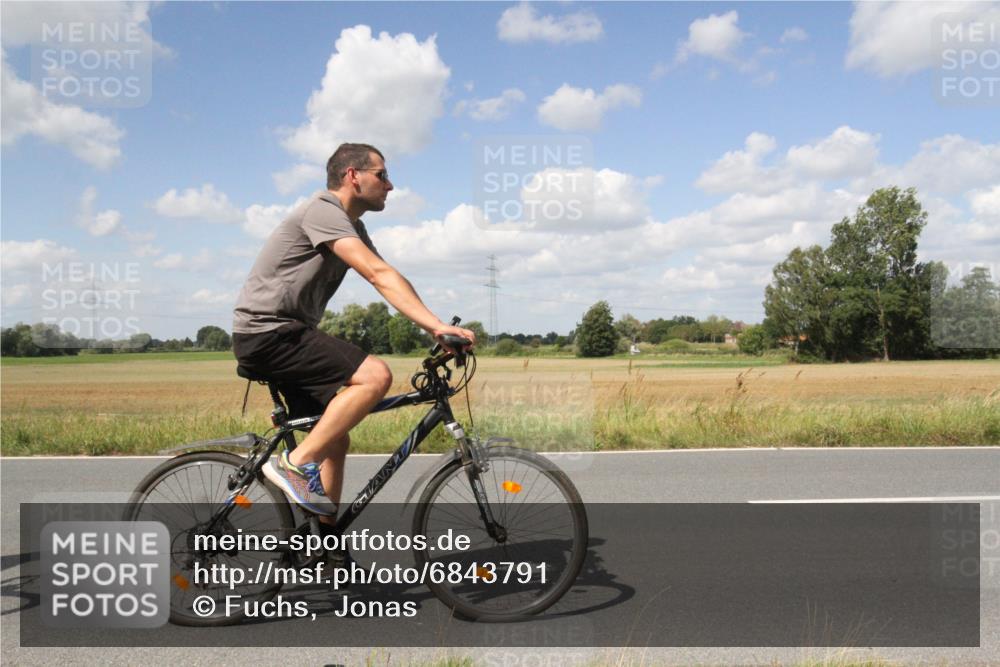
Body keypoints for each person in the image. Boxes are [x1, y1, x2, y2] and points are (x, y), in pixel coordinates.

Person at [232, 142, 475, 524]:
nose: (390, 185)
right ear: (352, 176)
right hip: (269, 333)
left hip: (282, 333)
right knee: (375, 375)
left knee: (334, 438)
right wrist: (437, 325)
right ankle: (295, 464)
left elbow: (386, 277)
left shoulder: (351, 225)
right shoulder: (322, 211)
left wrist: (435, 326)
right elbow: (377, 275)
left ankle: (327, 552)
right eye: (381, 175)